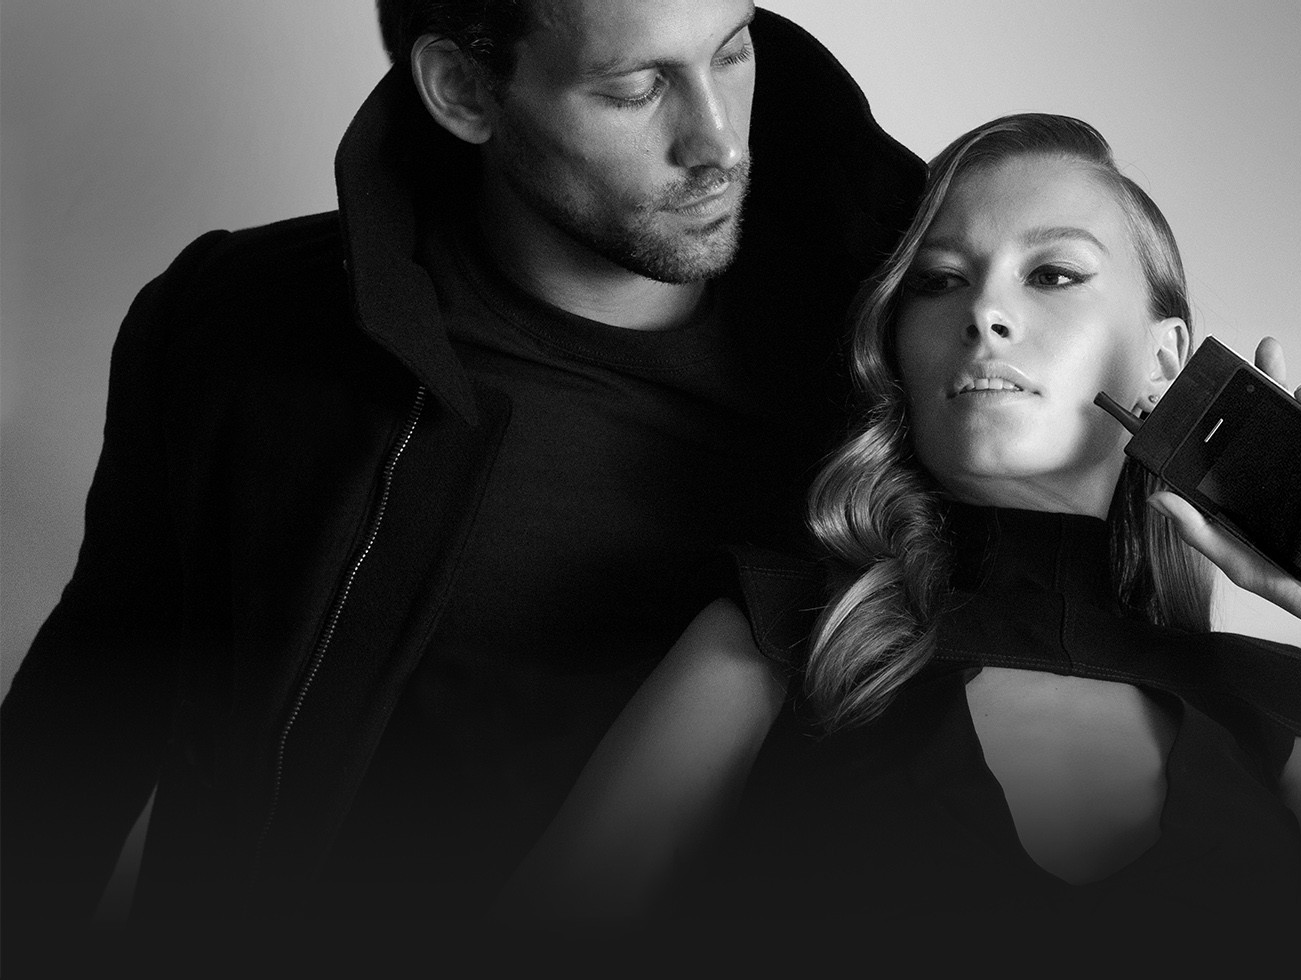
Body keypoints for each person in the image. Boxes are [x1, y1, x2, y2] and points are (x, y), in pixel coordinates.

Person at [0, 0, 923, 930]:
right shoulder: (238, 323)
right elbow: (85, 718)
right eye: (635, 89)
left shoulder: (888, 394)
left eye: (732, 53)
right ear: (464, 91)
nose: (718, 142)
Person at [500, 113, 1301, 942]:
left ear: (1166, 361)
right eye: (939, 279)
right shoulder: (779, 635)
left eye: (1052, 274)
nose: (985, 313)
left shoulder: (1265, 713)